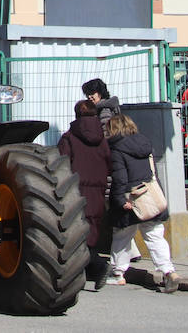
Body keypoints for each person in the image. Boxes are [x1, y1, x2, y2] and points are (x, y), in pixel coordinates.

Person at [106, 113, 177, 293]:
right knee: (155, 236)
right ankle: (168, 271)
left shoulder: (116, 149)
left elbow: (120, 177)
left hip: (131, 198)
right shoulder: (145, 143)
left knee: (122, 237)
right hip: (149, 198)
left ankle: (118, 273)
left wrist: (120, 199)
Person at [58, 99, 111, 288]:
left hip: (76, 189)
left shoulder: (69, 137)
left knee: (75, 233)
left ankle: (97, 265)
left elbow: (61, 164)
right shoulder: (102, 139)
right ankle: (90, 270)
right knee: (92, 230)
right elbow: (109, 162)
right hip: (98, 189)